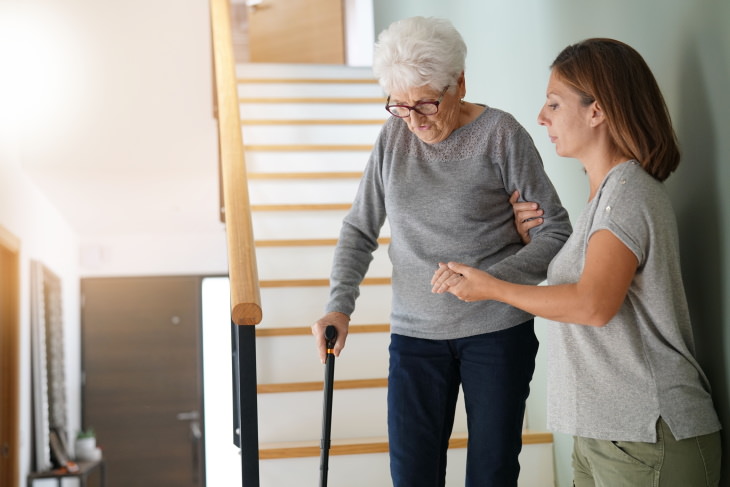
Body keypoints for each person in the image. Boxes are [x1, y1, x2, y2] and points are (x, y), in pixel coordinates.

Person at [432, 38, 722, 485]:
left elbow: (592, 305)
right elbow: (589, 279)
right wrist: (528, 240)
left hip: (647, 434)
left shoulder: (627, 193)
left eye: (554, 103)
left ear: (596, 111)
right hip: (607, 435)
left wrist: (489, 287)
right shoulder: (605, 197)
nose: (541, 117)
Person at [310, 16, 572, 487]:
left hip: (496, 333)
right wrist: (338, 305)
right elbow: (359, 227)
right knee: (412, 475)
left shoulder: (501, 135)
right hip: (414, 336)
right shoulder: (394, 138)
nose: (415, 120)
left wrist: (493, 281)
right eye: (401, 107)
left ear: (460, 83)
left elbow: (555, 231)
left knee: (491, 474)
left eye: (427, 104)